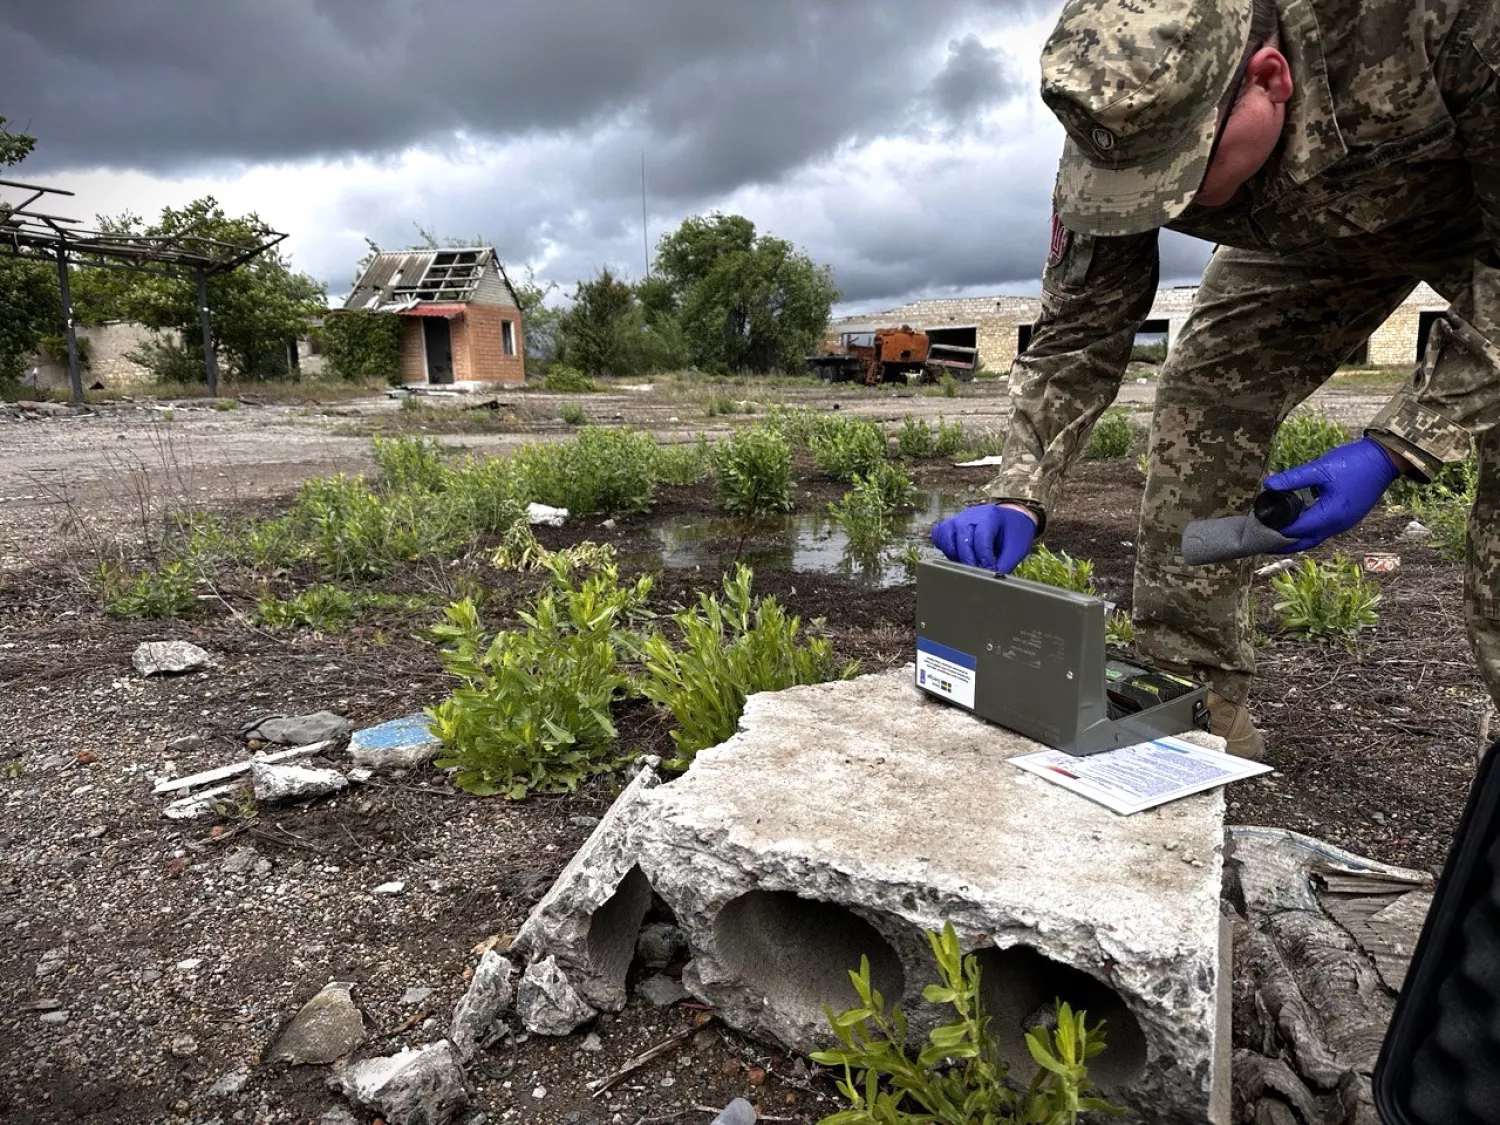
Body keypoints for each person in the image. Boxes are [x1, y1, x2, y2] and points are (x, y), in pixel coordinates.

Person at [931, 0, 1500, 759]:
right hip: (1305, 238)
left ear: (1271, 77)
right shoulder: (1125, 127)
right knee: (1205, 397)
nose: (1159, 206)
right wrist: (1018, 488)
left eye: (1181, 179)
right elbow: (1079, 331)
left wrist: (1398, 444)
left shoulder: (1443, 19)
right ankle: (1188, 707)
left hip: (1477, 218)